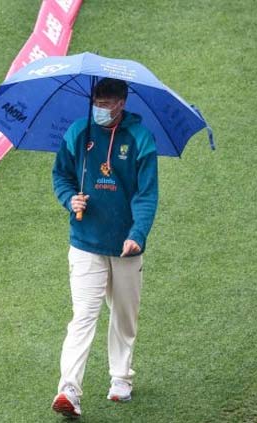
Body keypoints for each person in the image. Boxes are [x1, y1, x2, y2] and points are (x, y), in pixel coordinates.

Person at [50, 77, 159, 418]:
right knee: (83, 316)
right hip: (85, 242)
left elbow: (146, 194)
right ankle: (69, 389)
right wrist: (71, 199)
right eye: (97, 100)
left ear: (121, 104)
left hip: (125, 246)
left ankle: (121, 377)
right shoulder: (78, 134)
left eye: (108, 103)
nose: (101, 108)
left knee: (123, 314)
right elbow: (61, 176)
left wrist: (137, 234)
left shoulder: (140, 139)